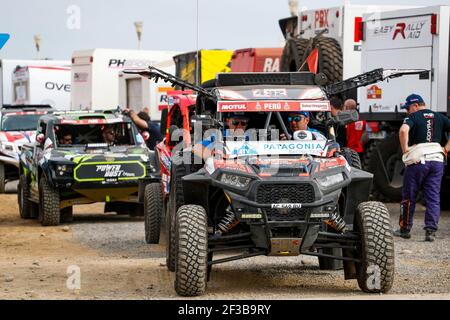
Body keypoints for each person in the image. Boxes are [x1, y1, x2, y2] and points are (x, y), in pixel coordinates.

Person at [394, 94, 450, 241]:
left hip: (418, 160)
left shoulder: (413, 117)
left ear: (415, 105)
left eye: (408, 108)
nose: (407, 111)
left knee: (409, 196)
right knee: (433, 197)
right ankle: (430, 231)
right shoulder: (439, 117)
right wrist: (447, 148)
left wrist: (405, 148)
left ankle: (405, 229)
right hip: (437, 160)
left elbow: (403, 131)